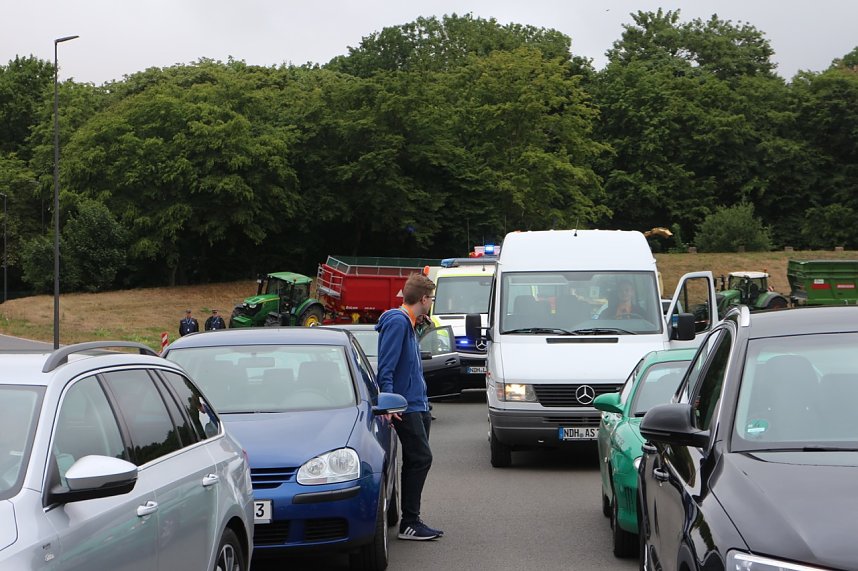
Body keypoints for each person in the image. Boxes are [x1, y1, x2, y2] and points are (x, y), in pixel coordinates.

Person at [375, 272, 443, 541]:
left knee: (415, 460)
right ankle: (410, 522)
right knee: (421, 459)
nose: (431, 303)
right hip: (406, 406)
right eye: (432, 299)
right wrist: (389, 402)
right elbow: (387, 367)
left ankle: (410, 520)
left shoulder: (409, 323)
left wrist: (421, 328)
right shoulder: (397, 321)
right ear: (424, 299)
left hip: (417, 404)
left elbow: (408, 365)